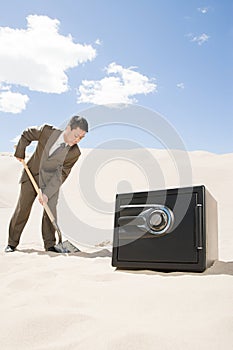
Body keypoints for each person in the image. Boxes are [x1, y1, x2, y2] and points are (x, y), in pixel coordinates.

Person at [5, 116, 88, 253]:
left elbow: (61, 174)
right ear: (68, 129)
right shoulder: (47, 132)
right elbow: (27, 134)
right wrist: (20, 151)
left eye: (81, 138)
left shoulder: (75, 153)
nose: (77, 140)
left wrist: (47, 193)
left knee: (51, 210)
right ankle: (12, 243)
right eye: (76, 135)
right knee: (23, 208)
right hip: (31, 175)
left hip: (50, 182)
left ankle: (50, 244)